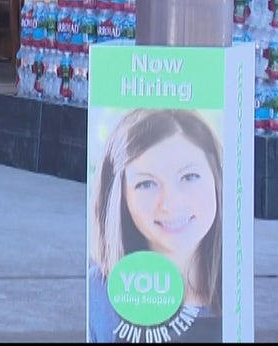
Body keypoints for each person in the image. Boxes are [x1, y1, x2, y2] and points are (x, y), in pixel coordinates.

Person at [88, 108, 223, 343]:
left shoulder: (237, 282)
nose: (170, 204)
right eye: (147, 184)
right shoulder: (100, 291)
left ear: (217, 179)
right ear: (120, 196)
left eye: (189, 177)